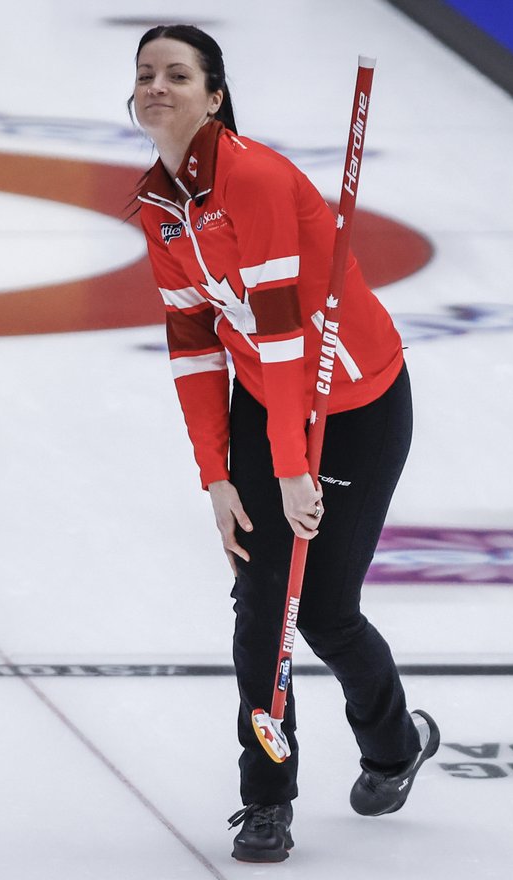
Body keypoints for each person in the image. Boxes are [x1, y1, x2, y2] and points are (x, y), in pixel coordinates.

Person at [129, 24, 440, 863]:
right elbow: (196, 349)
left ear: (215, 95)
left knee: (328, 611)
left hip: (357, 405)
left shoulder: (255, 178)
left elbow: (282, 336)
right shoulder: (159, 209)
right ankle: (266, 799)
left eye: (178, 74)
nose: (158, 86)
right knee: (262, 607)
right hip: (272, 408)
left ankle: (394, 745)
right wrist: (218, 478)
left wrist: (295, 469)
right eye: (146, 74)